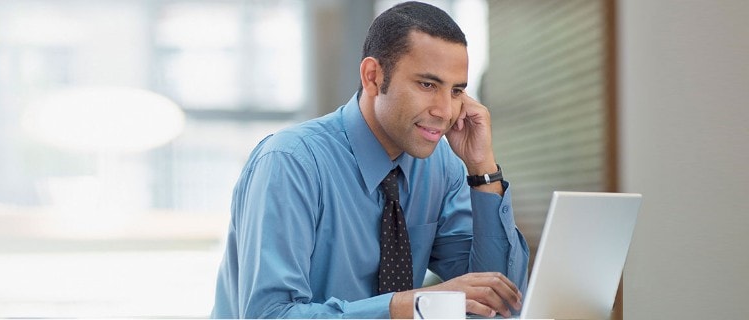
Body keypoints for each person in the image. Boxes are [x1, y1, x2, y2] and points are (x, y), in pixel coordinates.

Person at [211, 2, 529, 318]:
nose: (444, 111)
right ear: (373, 77)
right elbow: (269, 315)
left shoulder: (441, 167)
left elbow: (500, 304)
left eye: (456, 91)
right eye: (427, 85)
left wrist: (482, 168)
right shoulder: (289, 163)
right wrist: (401, 307)